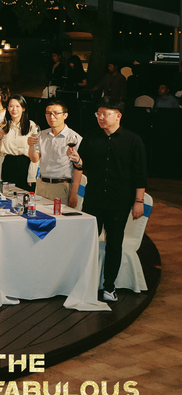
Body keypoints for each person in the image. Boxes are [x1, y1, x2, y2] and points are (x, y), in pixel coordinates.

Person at [69, 99, 146, 303]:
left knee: (114, 243)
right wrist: (77, 160)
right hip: (94, 198)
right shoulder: (91, 137)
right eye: (98, 114)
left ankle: (109, 286)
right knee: (87, 241)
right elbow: (83, 164)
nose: (101, 118)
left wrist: (139, 201)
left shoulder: (133, 140)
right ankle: (83, 282)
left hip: (119, 200)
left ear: (118, 115)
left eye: (105, 114)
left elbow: (140, 173)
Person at [35, 100, 81, 204]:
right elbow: (34, 159)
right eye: (48, 113)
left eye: (56, 113)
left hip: (61, 186)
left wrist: (74, 193)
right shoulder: (41, 135)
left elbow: (79, 168)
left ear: (65, 115)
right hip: (42, 184)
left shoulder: (74, 138)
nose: (51, 117)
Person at [0, 95, 39, 188]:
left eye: (17, 106)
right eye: (11, 106)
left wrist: (32, 176)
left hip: (24, 164)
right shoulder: (4, 126)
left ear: (23, 108)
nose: (14, 109)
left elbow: (36, 152)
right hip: (8, 163)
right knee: (7, 192)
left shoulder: (31, 126)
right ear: (7, 108)